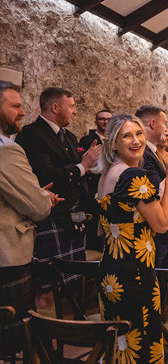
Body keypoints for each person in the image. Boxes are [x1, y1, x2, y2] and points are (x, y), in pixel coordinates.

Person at [96, 114, 168, 364]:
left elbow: (115, 223)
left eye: (139, 133)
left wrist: (157, 196)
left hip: (110, 271)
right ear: (113, 143)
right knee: (141, 347)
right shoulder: (133, 176)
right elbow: (161, 225)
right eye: (127, 135)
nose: (136, 140)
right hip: (135, 272)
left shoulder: (107, 174)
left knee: (120, 344)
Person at [15, 87, 102, 306]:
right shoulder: (31, 135)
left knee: (68, 282)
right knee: (48, 286)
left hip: (73, 218)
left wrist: (88, 167)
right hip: (51, 216)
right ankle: (47, 336)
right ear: (55, 107)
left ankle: (63, 329)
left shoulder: (70, 137)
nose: (74, 111)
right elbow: (46, 176)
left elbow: (75, 172)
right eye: (71, 106)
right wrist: (83, 165)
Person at [0, 81, 54, 358]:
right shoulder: (6, 150)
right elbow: (37, 206)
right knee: (16, 341)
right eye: (16, 106)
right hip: (7, 256)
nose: (23, 112)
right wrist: (43, 198)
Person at [135, 105, 168, 268]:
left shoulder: (154, 152)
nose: (166, 128)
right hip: (154, 229)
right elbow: (157, 189)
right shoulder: (144, 156)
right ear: (153, 123)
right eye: (164, 123)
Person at [79, 109, 112, 252]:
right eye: (102, 119)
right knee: (94, 227)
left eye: (108, 119)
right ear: (96, 121)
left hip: (111, 187)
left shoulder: (114, 140)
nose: (105, 122)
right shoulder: (87, 140)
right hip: (93, 188)